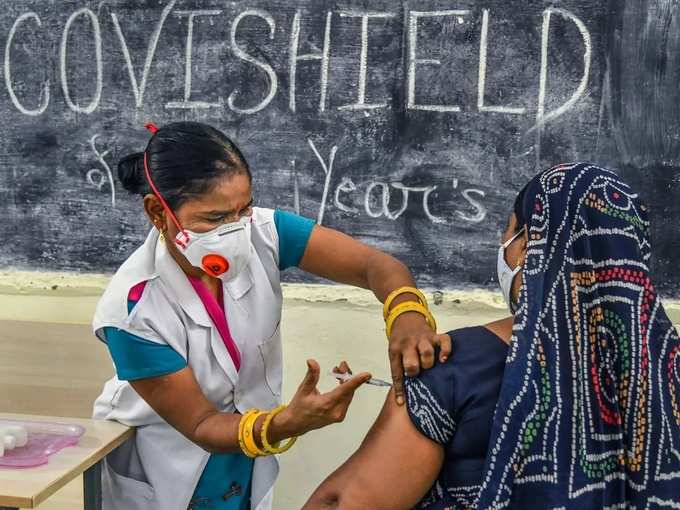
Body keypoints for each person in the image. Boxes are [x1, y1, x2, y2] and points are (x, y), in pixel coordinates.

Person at [91, 121, 450, 510]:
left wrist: (407, 317)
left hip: (240, 460)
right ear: (158, 213)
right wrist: (289, 422)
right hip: (166, 464)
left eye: (243, 209)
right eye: (213, 219)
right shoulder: (131, 310)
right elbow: (202, 425)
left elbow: (375, 266)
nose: (234, 231)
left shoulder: (264, 232)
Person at [304, 162, 680, 509]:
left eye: (508, 228)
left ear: (527, 246)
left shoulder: (453, 365)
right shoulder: (668, 378)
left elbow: (343, 502)